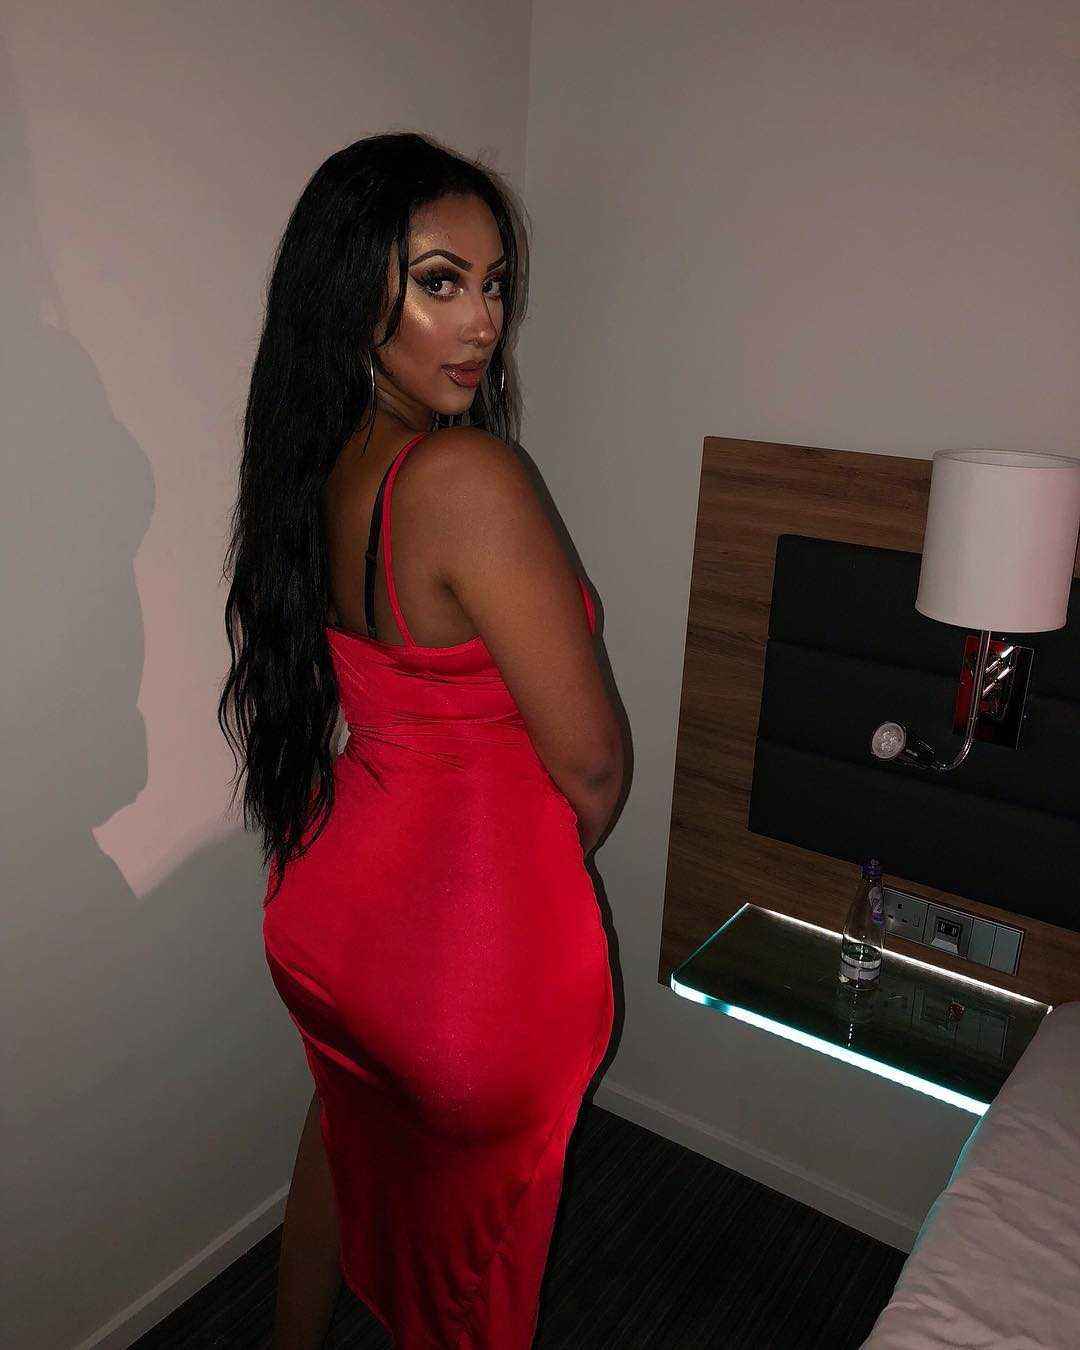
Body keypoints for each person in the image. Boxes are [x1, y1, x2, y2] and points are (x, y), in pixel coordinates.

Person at [217, 131, 624, 1349]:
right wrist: (532, 874)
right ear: (353, 289)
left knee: (344, 1135)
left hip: (337, 909)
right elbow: (594, 767)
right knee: (478, 1270)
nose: (484, 320)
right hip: (464, 955)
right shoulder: (465, 478)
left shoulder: (318, 457)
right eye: (440, 282)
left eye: (494, 284)